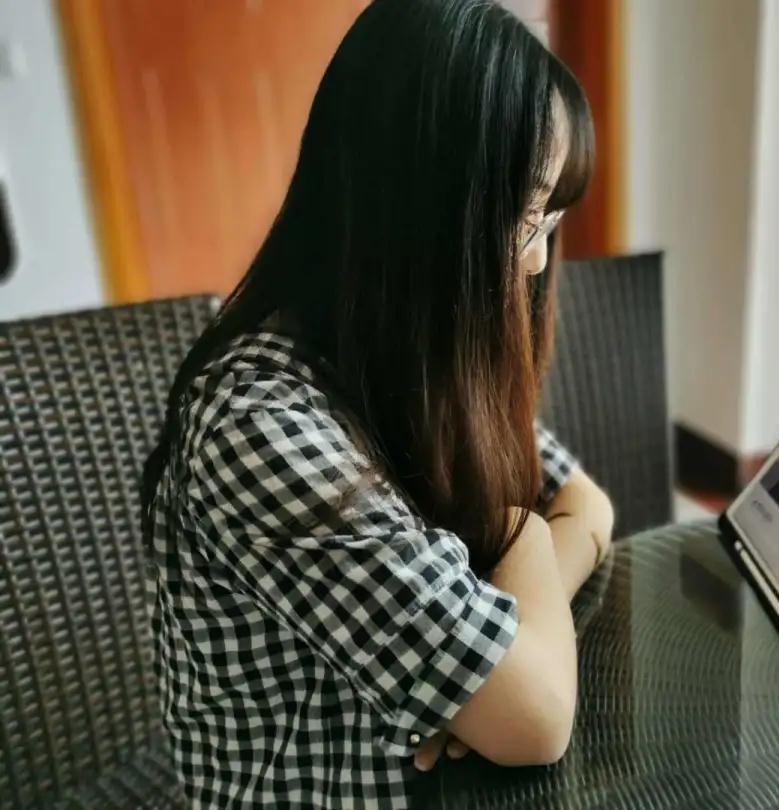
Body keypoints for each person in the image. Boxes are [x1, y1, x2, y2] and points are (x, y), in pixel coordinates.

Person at [139, 2, 612, 806]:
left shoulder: (414, 357)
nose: (536, 261)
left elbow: (589, 503)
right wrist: (525, 547)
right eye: (528, 217)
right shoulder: (261, 425)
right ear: (423, 206)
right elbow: (536, 719)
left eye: (549, 222)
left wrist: (499, 644)